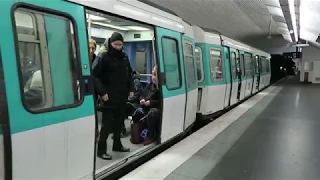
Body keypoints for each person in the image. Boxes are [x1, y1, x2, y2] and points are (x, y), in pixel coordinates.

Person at [92, 32, 134, 160]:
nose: (118, 47)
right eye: (116, 44)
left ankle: (117, 144)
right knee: (107, 125)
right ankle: (101, 150)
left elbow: (129, 74)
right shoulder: (103, 57)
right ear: (111, 44)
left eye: (120, 44)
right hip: (108, 97)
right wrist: (102, 92)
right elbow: (94, 75)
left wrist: (131, 88)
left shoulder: (125, 57)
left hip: (121, 96)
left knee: (119, 123)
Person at [132, 66, 160, 145]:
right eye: (153, 75)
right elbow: (142, 94)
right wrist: (142, 99)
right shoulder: (149, 85)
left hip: (157, 109)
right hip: (146, 107)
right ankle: (137, 132)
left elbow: (161, 101)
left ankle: (150, 136)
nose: (154, 78)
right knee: (137, 112)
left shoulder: (161, 88)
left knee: (152, 112)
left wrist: (151, 102)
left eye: (156, 75)